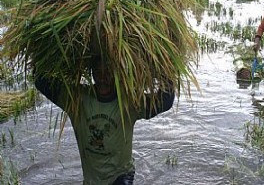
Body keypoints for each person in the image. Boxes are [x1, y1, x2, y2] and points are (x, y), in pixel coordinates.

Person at [34, 56, 175, 184]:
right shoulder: (77, 99)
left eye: (108, 72)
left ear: (116, 74)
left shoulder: (127, 103)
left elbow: (165, 101)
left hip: (121, 176)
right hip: (91, 180)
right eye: (97, 72)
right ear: (91, 74)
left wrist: (162, 68)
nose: (102, 78)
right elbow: (41, 81)